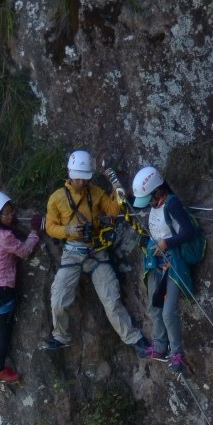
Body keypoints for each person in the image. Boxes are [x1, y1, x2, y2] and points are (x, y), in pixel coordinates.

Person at [43, 150, 149, 357]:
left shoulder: (95, 192)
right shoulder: (57, 198)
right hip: (72, 252)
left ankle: (133, 338)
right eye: (78, 177)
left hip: (96, 251)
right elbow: (49, 226)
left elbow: (111, 211)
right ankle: (61, 336)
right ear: (69, 173)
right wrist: (67, 231)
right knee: (58, 299)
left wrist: (116, 192)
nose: (81, 181)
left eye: (85, 177)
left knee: (111, 300)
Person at [130, 165, 201, 373]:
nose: (147, 205)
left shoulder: (172, 204)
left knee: (169, 312)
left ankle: (177, 352)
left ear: (157, 191)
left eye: (149, 199)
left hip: (172, 263)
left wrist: (167, 244)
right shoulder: (153, 206)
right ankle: (160, 347)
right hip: (155, 263)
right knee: (154, 308)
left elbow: (189, 231)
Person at [0, 190, 42, 384]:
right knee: (5, 330)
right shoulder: (5, 237)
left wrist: (9, 221)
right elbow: (25, 251)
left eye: (11, 211)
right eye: (7, 213)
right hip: (3, 290)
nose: (11, 215)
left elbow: (0, 225)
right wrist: (35, 232)